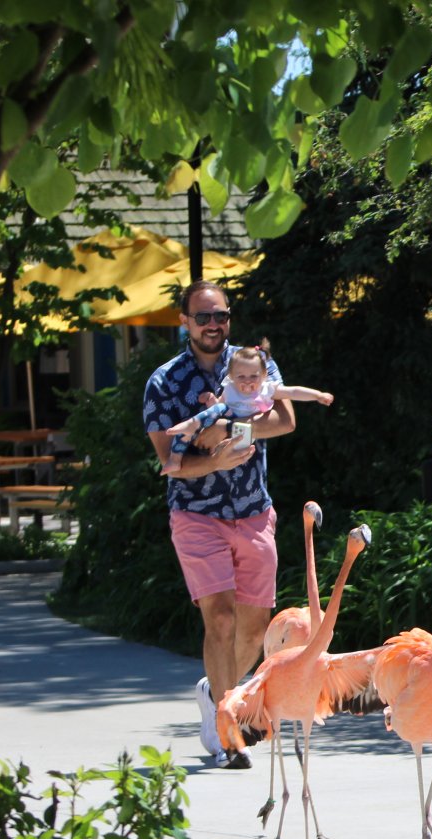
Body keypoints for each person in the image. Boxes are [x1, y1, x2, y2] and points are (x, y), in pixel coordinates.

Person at [143, 281, 297, 768]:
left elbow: (285, 420)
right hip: (197, 516)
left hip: (254, 512)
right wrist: (213, 460)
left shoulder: (255, 363)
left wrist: (226, 429)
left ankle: (216, 690)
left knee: (253, 630)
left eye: (221, 316)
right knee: (221, 619)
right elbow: (169, 462)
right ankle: (229, 736)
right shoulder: (164, 383)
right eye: (203, 317)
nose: (213, 325)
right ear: (184, 322)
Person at [162, 345, 333, 473]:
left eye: (253, 376)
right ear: (231, 376)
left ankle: (194, 426)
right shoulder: (230, 388)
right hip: (227, 422)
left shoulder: (266, 389)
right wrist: (211, 400)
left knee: (222, 437)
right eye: (241, 376)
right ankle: (176, 458)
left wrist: (317, 395)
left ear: (264, 375)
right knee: (187, 432)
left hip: (245, 435)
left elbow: (293, 391)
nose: (247, 381)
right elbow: (218, 409)